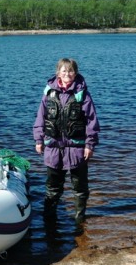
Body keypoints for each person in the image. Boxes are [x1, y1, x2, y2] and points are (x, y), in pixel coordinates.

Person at [33, 58, 100, 224]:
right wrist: (38, 140)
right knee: (53, 188)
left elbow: (92, 121)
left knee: (80, 189)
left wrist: (89, 145)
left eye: (70, 71)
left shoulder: (82, 94)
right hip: (53, 147)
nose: (67, 74)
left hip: (77, 149)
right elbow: (40, 118)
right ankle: (49, 220)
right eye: (64, 71)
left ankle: (80, 220)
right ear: (58, 73)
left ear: (75, 73)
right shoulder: (49, 93)